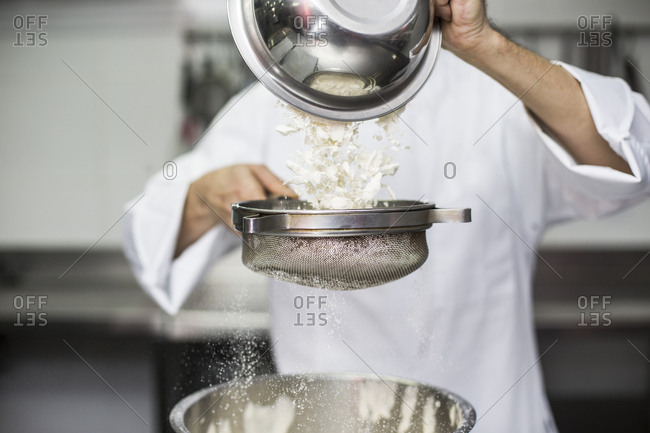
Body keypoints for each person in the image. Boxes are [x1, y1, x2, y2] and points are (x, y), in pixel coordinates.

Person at [123, 0, 650, 431]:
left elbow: (633, 152)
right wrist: (202, 196)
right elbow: (148, 229)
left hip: (494, 416)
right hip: (328, 419)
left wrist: (486, 46)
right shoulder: (269, 107)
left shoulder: (498, 97)